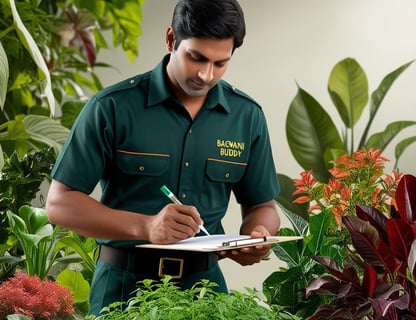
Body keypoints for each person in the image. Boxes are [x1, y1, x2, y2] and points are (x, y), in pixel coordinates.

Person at [46, 0, 281, 315]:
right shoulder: (112, 107)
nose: (206, 74)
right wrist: (145, 227)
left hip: (206, 295)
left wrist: (257, 236)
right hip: (122, 291)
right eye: (195, 57)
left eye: (220, 63)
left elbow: (262, 207)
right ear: (171, 39)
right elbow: (60, 204)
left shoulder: (246, 116)